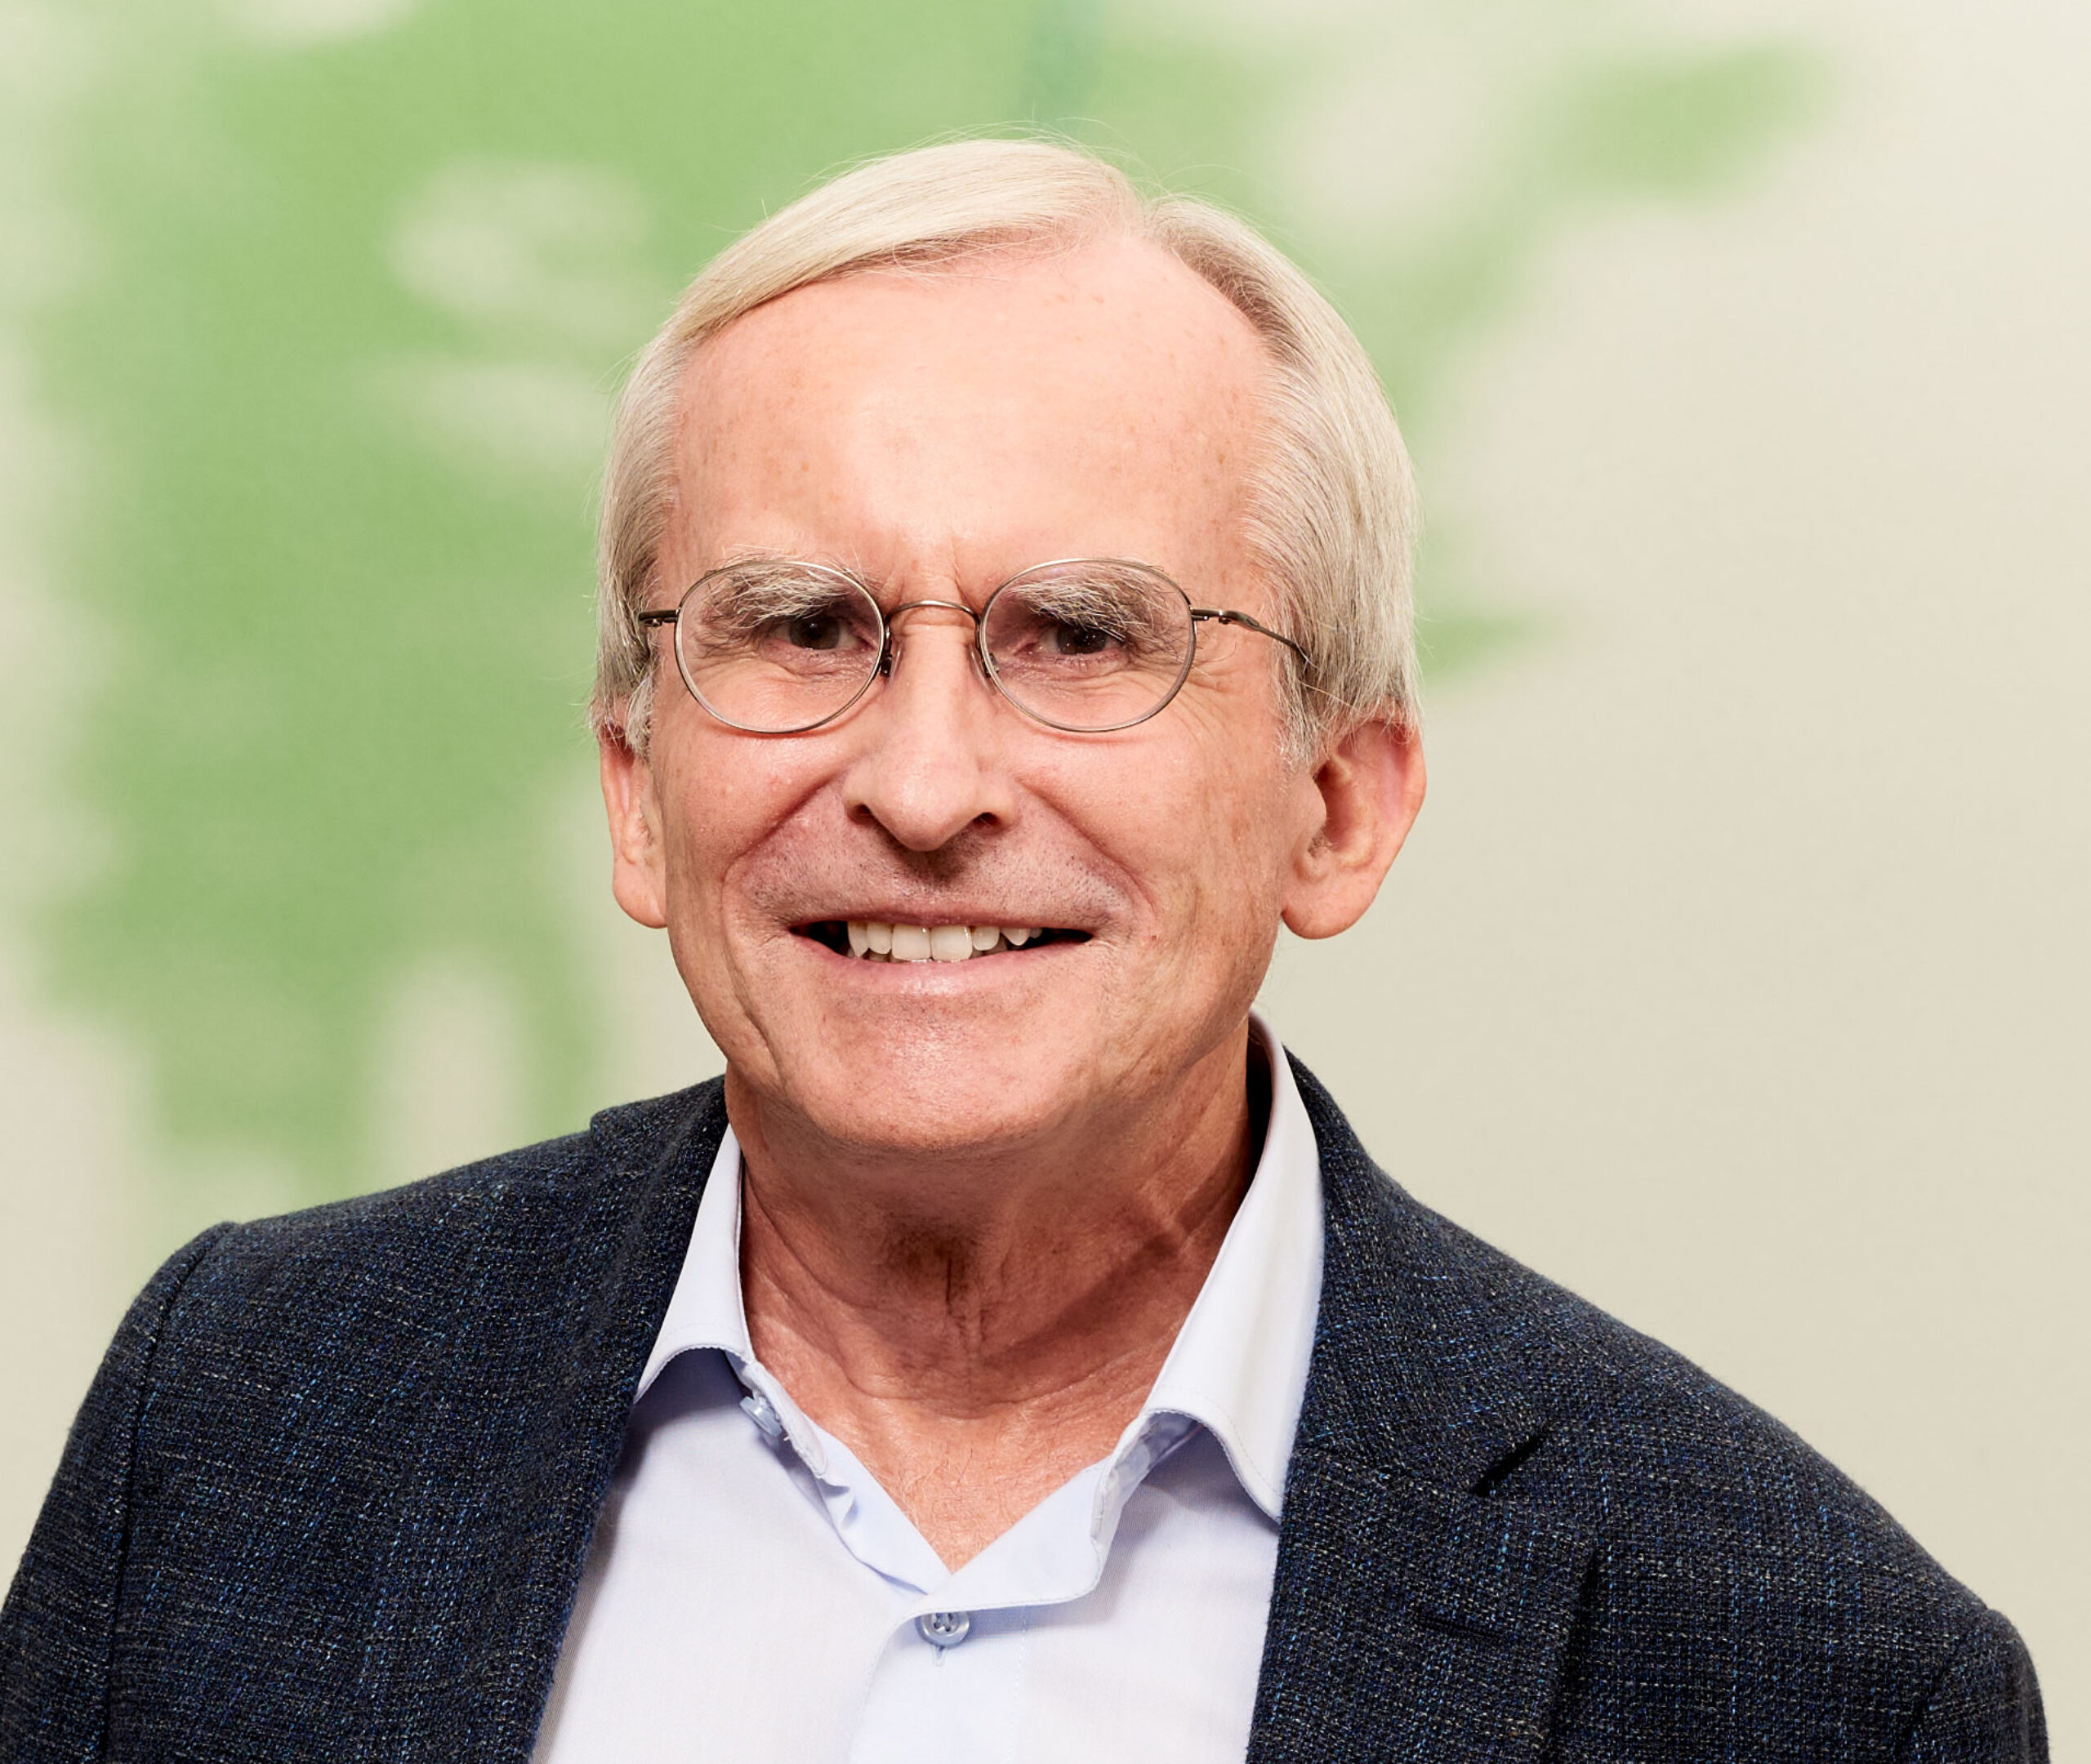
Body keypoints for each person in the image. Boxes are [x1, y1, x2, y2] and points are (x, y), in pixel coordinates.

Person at [0, 139, 2045, 1763]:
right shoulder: (240, 1419)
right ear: (635, 786)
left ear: (1336, 802)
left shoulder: (1804, 1676)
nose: (921, 782)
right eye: (799, 628)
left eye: (1076, 636)